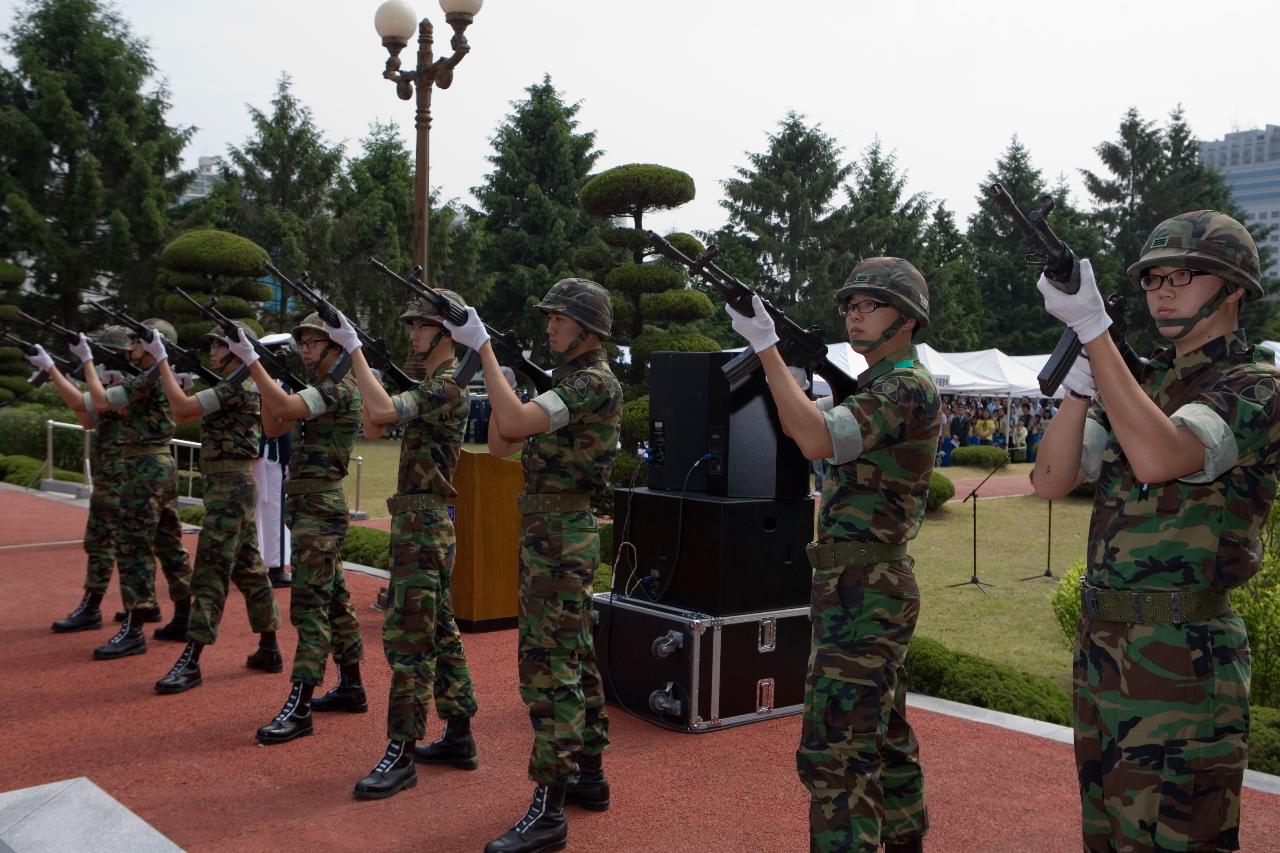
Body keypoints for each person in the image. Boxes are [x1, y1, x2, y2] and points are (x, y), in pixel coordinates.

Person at [1032, 211, 1279, 852]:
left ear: (1233, 289)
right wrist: (1082, 389)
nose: (1162, 290)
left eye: (1184, 275)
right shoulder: (1137, 383)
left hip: (1185, 662)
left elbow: (1162, 456)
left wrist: (1096, 335)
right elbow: (1053, 478)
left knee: (1178, 838)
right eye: (1152, 280)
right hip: (1105, 653)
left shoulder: (1257, 385)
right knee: (1107, 837)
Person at [727, 258, 937, 853]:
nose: (854, 313)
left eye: (870, 304)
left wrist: (767, 348)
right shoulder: (879, 387)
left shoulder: (904, 386)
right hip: (859, 583)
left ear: (908, 318)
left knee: (835, 751)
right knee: (881, 730)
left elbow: (817, 437)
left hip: (865, 586)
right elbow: (816, 428)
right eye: (850, 304)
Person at [443, 279, 620, 853]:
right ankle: (589, 775)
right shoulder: (569, 384)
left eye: (559, 318)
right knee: (575, 655)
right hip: (549, 534)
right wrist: (509, 379)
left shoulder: (592, 382)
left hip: (561, 537)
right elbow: (501, 443)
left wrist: (489, 356)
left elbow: (516, 428)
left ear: (587, 329)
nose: (549, 326)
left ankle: (550, 807)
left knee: (549, 667)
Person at [324, 292, 479, 801]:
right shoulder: (434, 384)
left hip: (424, 523)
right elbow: (374, 421)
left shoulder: (448, 383)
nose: (412, 333)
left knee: (408, 640)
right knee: (438, 631)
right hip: (419, 521)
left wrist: (354, 352)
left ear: (446, 334)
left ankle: (402, 751)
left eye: (422, 326)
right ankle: (458, 733)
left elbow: (384, 412)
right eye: (410, 324)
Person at [229, 314, 365, 745]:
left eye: (312, 343)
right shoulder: (317, 388)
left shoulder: (339, 389)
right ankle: (352, 684)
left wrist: (252, 362)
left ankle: (300, 702)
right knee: (337, 601)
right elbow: (273, 425)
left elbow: (284, 411)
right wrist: (270, 373)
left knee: (309, 607)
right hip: (308, 505)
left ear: (336, 347)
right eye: (302, 343)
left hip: (320, 509)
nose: (304, 350)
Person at [145, 322, 283, 694]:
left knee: (210, 569)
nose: (213, 350)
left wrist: (161, 362)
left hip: (229, 487)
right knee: (249, 567)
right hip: (230, 484)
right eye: (213, 344)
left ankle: (192, 658)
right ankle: (269, 647)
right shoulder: (237, 383)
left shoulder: (236, 385)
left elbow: (182, 411)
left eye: (221, 345)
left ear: (240, 350)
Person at [77, 319, 192, 659]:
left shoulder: (151, 376)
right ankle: (184, 616)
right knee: (168, 541)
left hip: (144, 467)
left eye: (137, 340)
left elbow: (99, 402)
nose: (130, 346)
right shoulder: (160, 375)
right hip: (159, 464)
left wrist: (86, 361)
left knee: (132, 545)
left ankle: (134, 627)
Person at [29, 327, 145, 632]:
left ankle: (93, 607)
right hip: (112, 473)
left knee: (104, 542)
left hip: (123, 476)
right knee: (122, 544)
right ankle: (144, 605)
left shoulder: (132, 383)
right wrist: (54, 371)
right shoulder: (111, 382)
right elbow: (85, 416)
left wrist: (63, 368)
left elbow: (100, 403)